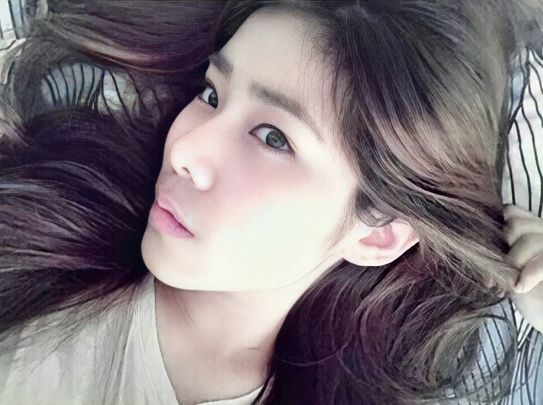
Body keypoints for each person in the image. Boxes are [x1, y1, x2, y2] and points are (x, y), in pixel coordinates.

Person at [0, 1, 542, 404]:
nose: (185, 148)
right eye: (211, 94)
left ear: (378, 234)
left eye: (273, 137)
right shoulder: (44, 237)